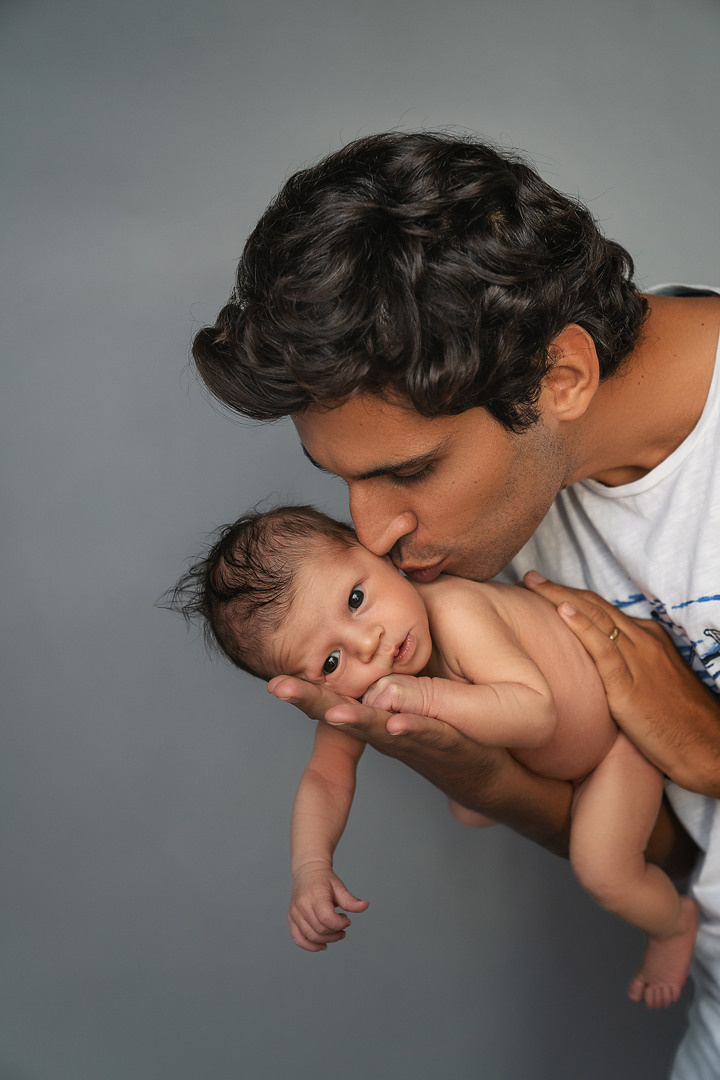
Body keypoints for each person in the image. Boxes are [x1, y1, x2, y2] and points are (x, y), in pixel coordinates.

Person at [189, 132, 720, 1075]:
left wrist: (711, 748)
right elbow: (679, 850)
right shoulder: (491, 528)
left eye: (409, 473)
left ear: (561, 377)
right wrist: (479, 778)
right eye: (343, 482)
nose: (374, 535)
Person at [172, 503, 698, 1007]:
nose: (367, 643)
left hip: (615, 743)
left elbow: (537, 714)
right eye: (331, 661)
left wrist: (425, 696)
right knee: (467, 809)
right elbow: (326, 777)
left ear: (377, 556)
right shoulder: (360, 691)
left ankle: (674, 924)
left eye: (355, 599)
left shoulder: (456, 611)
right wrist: (311, 866)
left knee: (604, 870)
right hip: (562, 759)